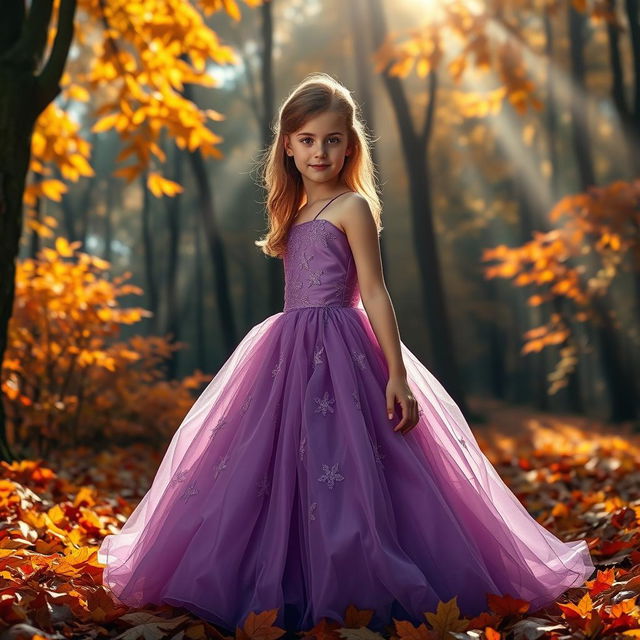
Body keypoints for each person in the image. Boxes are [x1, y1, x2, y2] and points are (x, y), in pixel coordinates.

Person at [97, 72, 595, 634]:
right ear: (287, 144)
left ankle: (361, 580)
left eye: (332, 139)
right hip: (287, 352)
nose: (319, 151)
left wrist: (397, 373)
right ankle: (281, 576)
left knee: (354, 468)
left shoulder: (352, 206)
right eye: (307, 139)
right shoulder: (293, 212)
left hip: (343, 353)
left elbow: (376, 291)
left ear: (349, 145)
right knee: (272, 467)